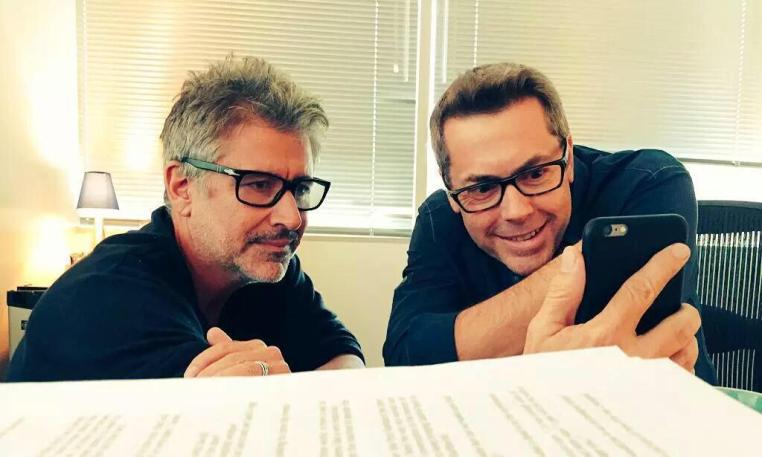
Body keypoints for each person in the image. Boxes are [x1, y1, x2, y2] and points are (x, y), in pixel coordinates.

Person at [8, 56, 364, 381]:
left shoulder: (262, 267)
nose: (291, 217)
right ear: (182, 187)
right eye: (258, 184)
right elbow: (226, 414)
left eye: (300, 188)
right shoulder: (107, 296)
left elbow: (344, 355)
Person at [383, 62, 715, 382]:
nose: (516, 211)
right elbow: (407, 355)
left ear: (567, 157)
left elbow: (636, 327)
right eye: (482, 188)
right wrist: (547, 366)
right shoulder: (439, 218)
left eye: (535, 173)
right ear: (451, 192)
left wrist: (476, 342)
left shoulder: (648, 181)